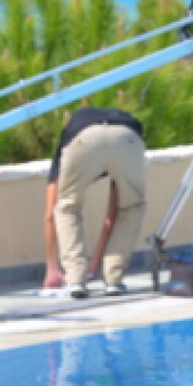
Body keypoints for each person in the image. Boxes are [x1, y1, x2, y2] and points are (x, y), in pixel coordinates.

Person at [46, 106, 146, 299]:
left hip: (83, 139)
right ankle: (113, 280)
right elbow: (116, 208)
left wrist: (52, 268)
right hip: (127, 137)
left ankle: (75, 280)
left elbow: (50, 212)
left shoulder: (67, 139)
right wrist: (97, 263)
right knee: (131, 207)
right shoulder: (121, 123)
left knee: (67, 208)